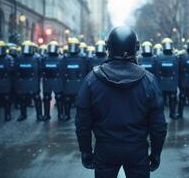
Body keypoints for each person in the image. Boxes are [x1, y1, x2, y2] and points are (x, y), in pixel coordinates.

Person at [76, 26, 167, 178]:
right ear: (135, 48)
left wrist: (85, 151)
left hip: (105, 150)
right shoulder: (149, 80)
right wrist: (156, 153)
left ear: (108, 48)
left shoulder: (92, 79)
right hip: (137, 150)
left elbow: (82, 122)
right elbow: (158, 125)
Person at [14, 40, 43, 121]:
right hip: (23, 81)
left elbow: (40, 70)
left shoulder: (37, 57)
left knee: (37, 98)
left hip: (33, 82)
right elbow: (16, 70)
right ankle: (23, 114)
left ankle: (39, 115)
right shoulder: (19, 58)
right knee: (22, 98)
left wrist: (37, 78)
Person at [62, 37, 87, 121]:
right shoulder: (65, 57)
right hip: (68, 82)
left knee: (79, 102)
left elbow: (85, 70)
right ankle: (67, 115)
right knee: (67, 100)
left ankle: (80, 117)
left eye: (74, 46)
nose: (72, 48)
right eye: (71, 46)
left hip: (79, 83)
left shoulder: (83, 58)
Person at [157, 38, 179, 119]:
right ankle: (160, 115)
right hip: (162, 83)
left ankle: (172, 113)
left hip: (171, 82)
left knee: (172, 99)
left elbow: (177, 71)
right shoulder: (159, 57)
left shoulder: (175, 57)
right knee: (161, 101)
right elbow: (157, 71)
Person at [41, 41, 63, 121]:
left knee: (59, 97)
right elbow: (41, 69)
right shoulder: (44, 58)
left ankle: (60, 114)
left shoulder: (61, 58)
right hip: (47, 80)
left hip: (57, 80)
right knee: (46, 98)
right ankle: (46, 115)